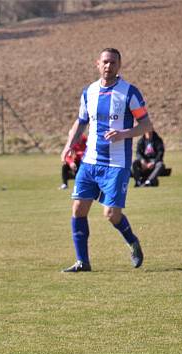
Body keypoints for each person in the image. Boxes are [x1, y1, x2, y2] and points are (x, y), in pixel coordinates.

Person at [61, 48, 150, 272]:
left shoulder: (129, 92)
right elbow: (81, 122)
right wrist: (68, 146)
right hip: (90, 162)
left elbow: (146, 125)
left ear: (119, 66)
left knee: (111, 214)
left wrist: (124, 134)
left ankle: (132, 241)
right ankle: (82, 261)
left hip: (116, 163)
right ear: (97, 64)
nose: (108, 66)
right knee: (78, 209)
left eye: (112, 62)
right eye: (105, 62)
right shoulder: (88, 92)